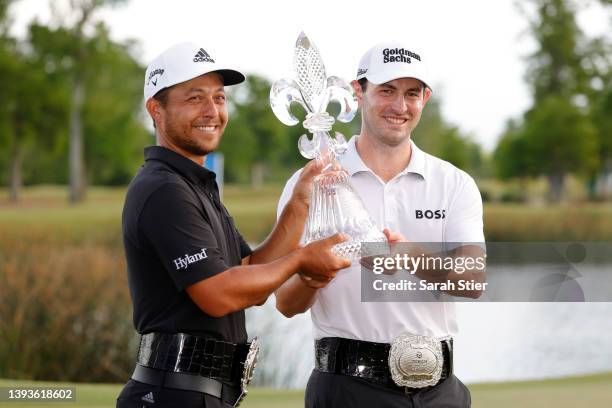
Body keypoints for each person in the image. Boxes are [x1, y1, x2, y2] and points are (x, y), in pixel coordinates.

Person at [116, 42, 350, 408]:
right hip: (171, 393)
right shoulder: (163, 189)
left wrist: (299, 205)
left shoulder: (194, 184)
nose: (213, 111)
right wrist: (302, 260)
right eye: (195, 98)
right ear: (156, 110)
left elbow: (248, 272)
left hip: (198, 392)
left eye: (219, 98)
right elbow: (219, 294)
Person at [275, 41, 486, 407]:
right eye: (386, 91)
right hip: (345, 389)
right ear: (358, 92)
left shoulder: (454, 183)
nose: (400, 106)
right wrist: (316, 273)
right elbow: (286, 304)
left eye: (412, 94)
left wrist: (406, 256)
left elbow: (474, 280)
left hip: (439, 392)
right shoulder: (310, 181)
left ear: (426, 99)